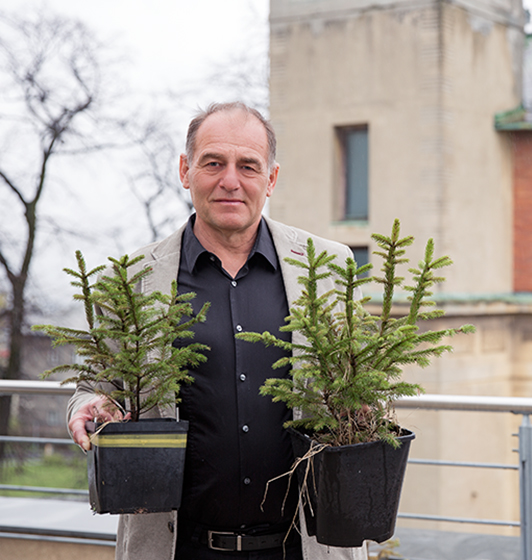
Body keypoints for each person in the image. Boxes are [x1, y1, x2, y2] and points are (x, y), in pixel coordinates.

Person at [67, 102, 368, 560]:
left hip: (305, 547)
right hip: (176, 547)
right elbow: (95, 384)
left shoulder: (327, 267)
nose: (231, 180)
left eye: (248, 165)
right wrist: (86, 404)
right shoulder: (132, 280)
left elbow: (366, 377)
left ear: (271, 179)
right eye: (213, 163)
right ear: (186, 171)